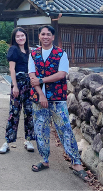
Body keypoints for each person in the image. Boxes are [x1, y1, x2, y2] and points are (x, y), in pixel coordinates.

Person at [28, 25, 87, 180]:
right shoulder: (33, 54)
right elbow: (32, 77)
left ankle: (76, 161)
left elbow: (61, 74)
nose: (45, 36)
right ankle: (44, 160)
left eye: (48, 34)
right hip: (38, 98)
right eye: (43, 34)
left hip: (58, 98)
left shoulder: (61, 53)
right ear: (39, 37)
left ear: (53, 37)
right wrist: (41, 94)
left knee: (65, 128)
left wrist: (41, 80)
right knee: (40, 130)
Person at [0, 27, 36, 154]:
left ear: (26, 37)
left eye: (22, 36)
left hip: (29, 84)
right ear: (14, 38)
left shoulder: (29, 51)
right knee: (14, 113)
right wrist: (14, 86)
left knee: (29, 112)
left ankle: (29, 140)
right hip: (18, 84)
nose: (21, 38)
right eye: (18, 36)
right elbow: (12, 69)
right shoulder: (13, 49)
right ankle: (7, 142)